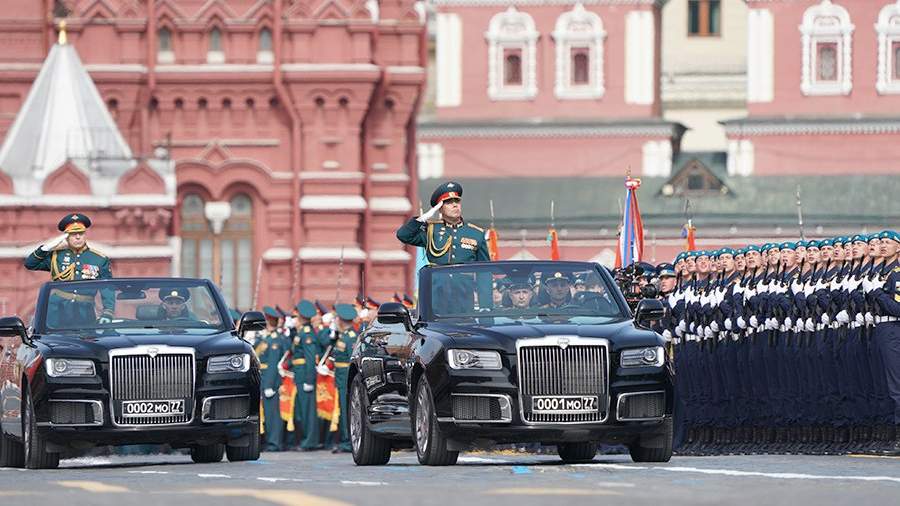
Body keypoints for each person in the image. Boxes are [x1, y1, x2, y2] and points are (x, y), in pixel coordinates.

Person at [24, 213, 114, 326]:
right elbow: (30, 264)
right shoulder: (56, 256)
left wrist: (108, 312)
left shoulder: (99, 259)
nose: (77, 237)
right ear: (66, 236)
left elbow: (107, 287)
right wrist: (46, 248)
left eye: (80, 233)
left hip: (84, 313)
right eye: (72, 234)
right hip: (56, 312)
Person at [396, 181, 490, 265]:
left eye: (457, 201)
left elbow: (485, 270)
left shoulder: (477, 233)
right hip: (438, 284)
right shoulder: (431, 230)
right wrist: (423, 218)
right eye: (448, 202)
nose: (454, 205)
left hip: (465, 284)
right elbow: (403, 235)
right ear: (440, 208)